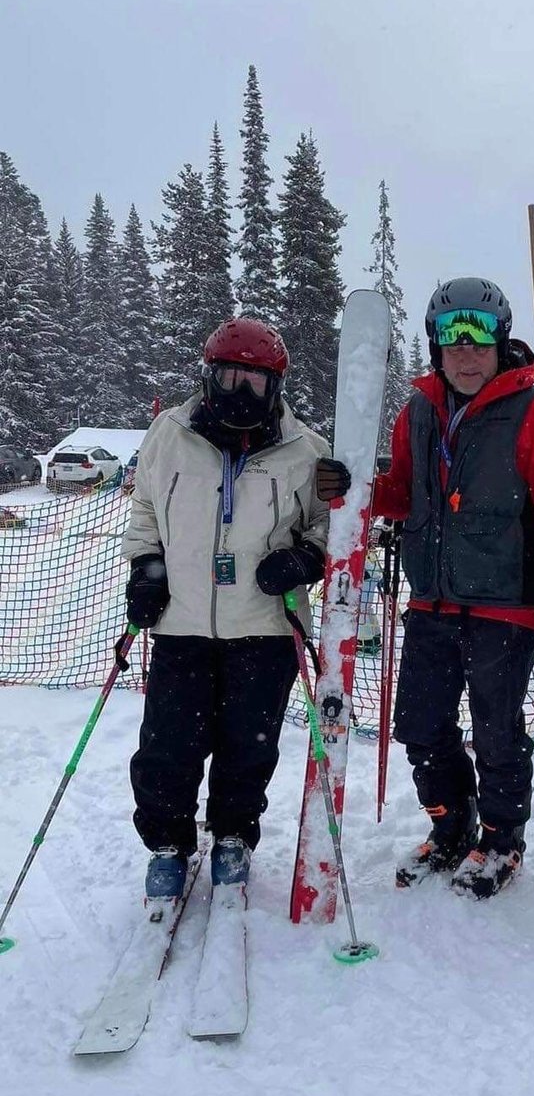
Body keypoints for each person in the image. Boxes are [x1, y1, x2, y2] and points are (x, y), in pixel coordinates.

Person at [372, 277, 534, 899]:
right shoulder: (417, 412)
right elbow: (404, 494)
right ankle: (451, 826)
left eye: (478, 339)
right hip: (431, 600)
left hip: (506, 605)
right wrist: (362, 491)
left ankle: (501, 838)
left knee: (497, 730)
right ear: (435, 347)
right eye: (452, 339)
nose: (466, 353)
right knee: (420, 726)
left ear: (500, 343)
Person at [121, 317, 347, 901]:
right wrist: (147, 567)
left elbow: (332, 524)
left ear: (275, 387)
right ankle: (168, 843)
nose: (239, 392)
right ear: (208, 373)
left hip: (265, 628)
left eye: (254, 381)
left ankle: (232, 837)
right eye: (229, 377)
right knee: (168, 745)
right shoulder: (168, 433)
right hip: (182, 623)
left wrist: (306, 558)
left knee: (249, 744)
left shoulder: (306, 450)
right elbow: (144, 507)